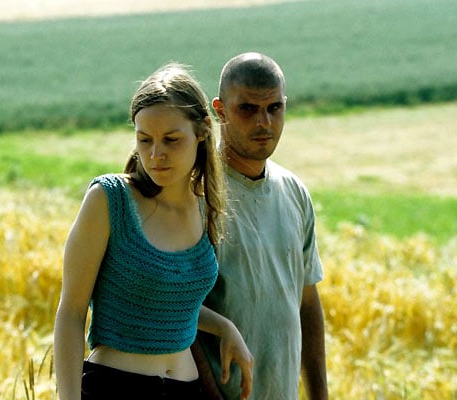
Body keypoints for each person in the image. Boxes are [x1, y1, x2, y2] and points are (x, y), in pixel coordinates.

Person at [53, 63, 253, 400]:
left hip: (187, 390)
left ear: (202, 131)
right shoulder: (109, 200)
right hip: (115, 388)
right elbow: (71, 311)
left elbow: (166, 298)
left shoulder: (204, 207)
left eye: (171, 140)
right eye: (144, 140)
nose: (155, 155)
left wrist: (224, 327)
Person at [196, 52, 329, 399]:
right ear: (219, 109)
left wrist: (319, 394)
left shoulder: (294, 191)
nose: (264, 123)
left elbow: (306, 300)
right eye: (248, 109)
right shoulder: (197, 197)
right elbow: (177, 309)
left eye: (274, 108)